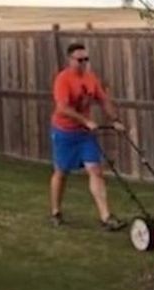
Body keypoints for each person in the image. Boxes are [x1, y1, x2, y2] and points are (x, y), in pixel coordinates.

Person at [49, 42, 127, 230]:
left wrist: (115, 119)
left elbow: (103, 100)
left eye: (86, 59)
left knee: (95, 171)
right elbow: (62, 108)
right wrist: (85, 121)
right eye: (80, 60)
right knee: (61, 172)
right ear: (70, 60)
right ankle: (56, 211)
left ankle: (106, 217)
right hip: (64, 133)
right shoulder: (63, 79)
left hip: (85, 135)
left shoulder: (91, 78)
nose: (84, 63)